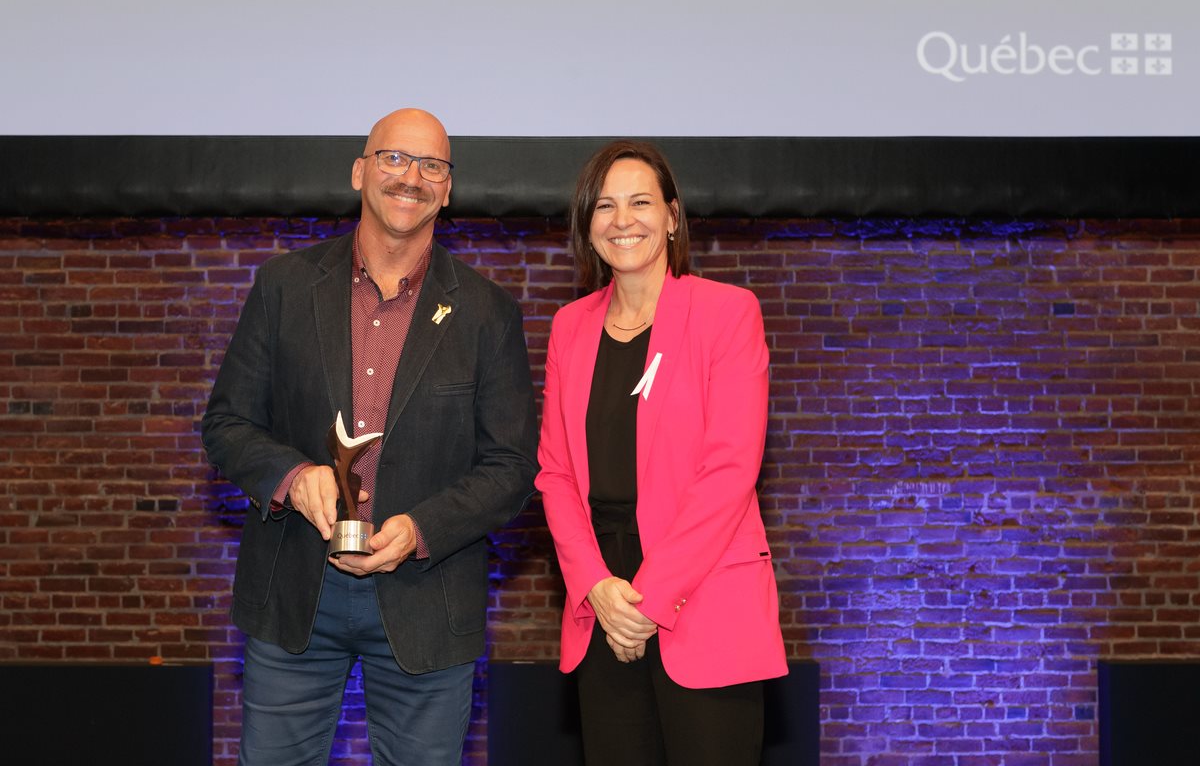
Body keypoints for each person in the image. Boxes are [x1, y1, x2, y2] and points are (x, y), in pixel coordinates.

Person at [201, 108, 538, 766]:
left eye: (431, 166)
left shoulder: (487, 313)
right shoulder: (283, 287)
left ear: (448, 189)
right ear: (359, 171)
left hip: (429, 598)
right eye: (393, 158)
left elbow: (510, 467)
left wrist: (419, 530)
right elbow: (227, 425)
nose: (410, 176)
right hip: (295, 589)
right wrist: (295, 479)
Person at [536, 140, 788, 764]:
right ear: (587, 225)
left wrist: (646, 602)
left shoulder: (727, 313)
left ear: (673, 216)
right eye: (604, 206)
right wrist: (596, 586)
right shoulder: (570, 326)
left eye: (641, 202)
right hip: (603, 604)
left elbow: (729, 471)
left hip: (701, 601)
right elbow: (555, 473)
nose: (623, 220)